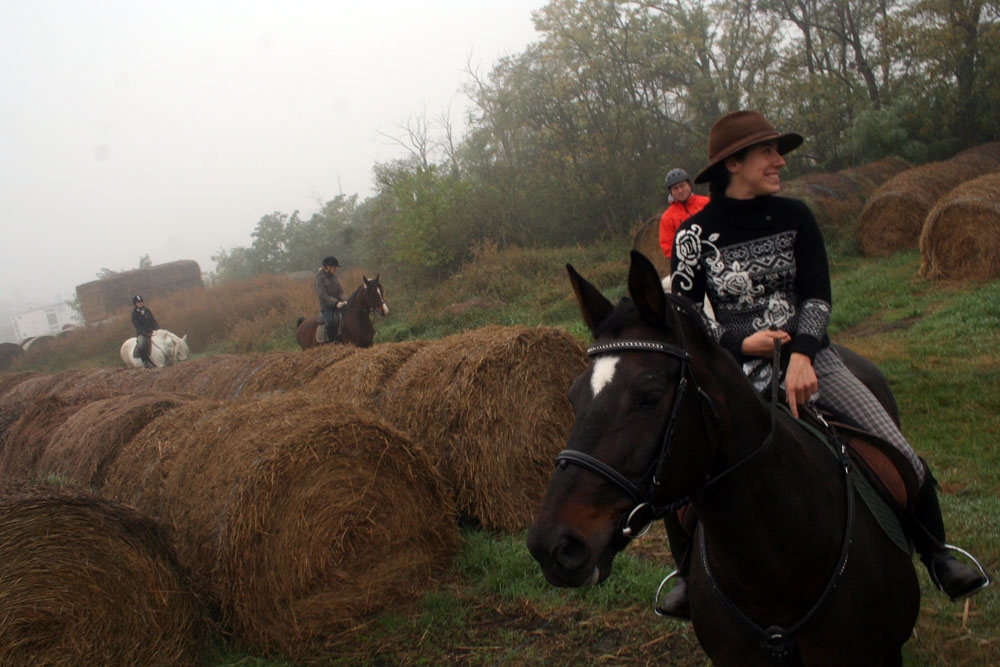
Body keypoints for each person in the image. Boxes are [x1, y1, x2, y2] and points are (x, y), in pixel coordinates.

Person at [656, 109, 988, 619]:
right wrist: (743, 343)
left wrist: (803, 355)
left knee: (900, 452)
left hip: (815, 359)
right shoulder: (691, 238)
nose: (779, 160)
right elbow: (685, 321)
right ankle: (684, 578)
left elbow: (817, 296)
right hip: (733, 371)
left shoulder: (796, 217)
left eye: (776, 151)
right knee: (679, 471)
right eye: (767, 152)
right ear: (734, 163)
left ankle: (937, 555)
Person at [658, 167, 709, 264]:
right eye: (675, 188)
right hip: (688, 263)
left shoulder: (706, 203)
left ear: (689, 185)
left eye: (682, 186)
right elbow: (668, 247)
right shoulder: (668, 217)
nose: (680, 190)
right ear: (671, 192)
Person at [315, 256, 347, 343]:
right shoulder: (319, 278)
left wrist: (345, 300)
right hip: (326, 307)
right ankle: (332, 342)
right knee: (330, 323)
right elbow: (323, 295)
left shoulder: (334, 277)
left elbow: (341, 291)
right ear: (327, 267)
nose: (335, 269)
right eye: (334, 267)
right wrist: (335, 302)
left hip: (338, 305)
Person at [130, 295, 159, 369]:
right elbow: (137, 326)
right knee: (141, 344)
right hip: (142, 333)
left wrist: (158, 329)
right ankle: (145, 361)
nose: (140, 304)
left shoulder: (147, 310)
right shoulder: (134, 314)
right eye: (138, 302)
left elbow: (153, 321)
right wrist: (144, 333)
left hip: (152, 331)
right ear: (135, 304)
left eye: (141, 302)